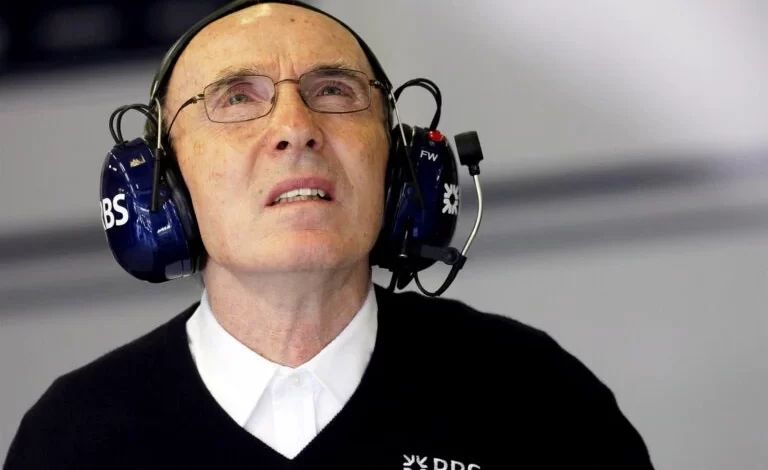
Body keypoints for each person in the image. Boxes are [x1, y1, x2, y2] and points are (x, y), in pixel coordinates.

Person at [4, 1, 656, 469]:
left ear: (397, 164)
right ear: (164, 181)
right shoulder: (73, 438)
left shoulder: (537, 397)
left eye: (335, 91)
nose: (296, 128)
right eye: (236, 98)